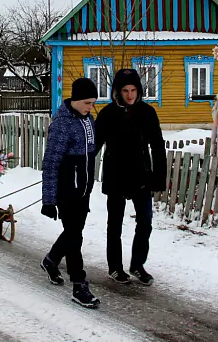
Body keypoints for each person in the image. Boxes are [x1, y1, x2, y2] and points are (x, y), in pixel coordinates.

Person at [95, 69, 166, 286]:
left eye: (133, 90)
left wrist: (158, 176)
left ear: (139, 90)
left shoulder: (147, 112)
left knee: (145, 222)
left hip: (140, 175)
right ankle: (115, 267)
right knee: (114, 224)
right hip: (115, 175)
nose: (129, 95)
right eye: (125, 90)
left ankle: (137, 265)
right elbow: (94, 146)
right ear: (117, 91)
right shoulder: (107, 114)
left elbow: (157, 145)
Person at [40, 77, 100, 309]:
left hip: (83, 189)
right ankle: (79, 284)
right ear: (75, 100)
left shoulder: (88, 120)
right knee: (75, 237)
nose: (90, 107)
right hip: (67, 190)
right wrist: (49, 199)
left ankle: (51, 260)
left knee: (73, 232)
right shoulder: (62, 124)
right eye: (87, 102)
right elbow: (51, 162)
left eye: (93, 102)